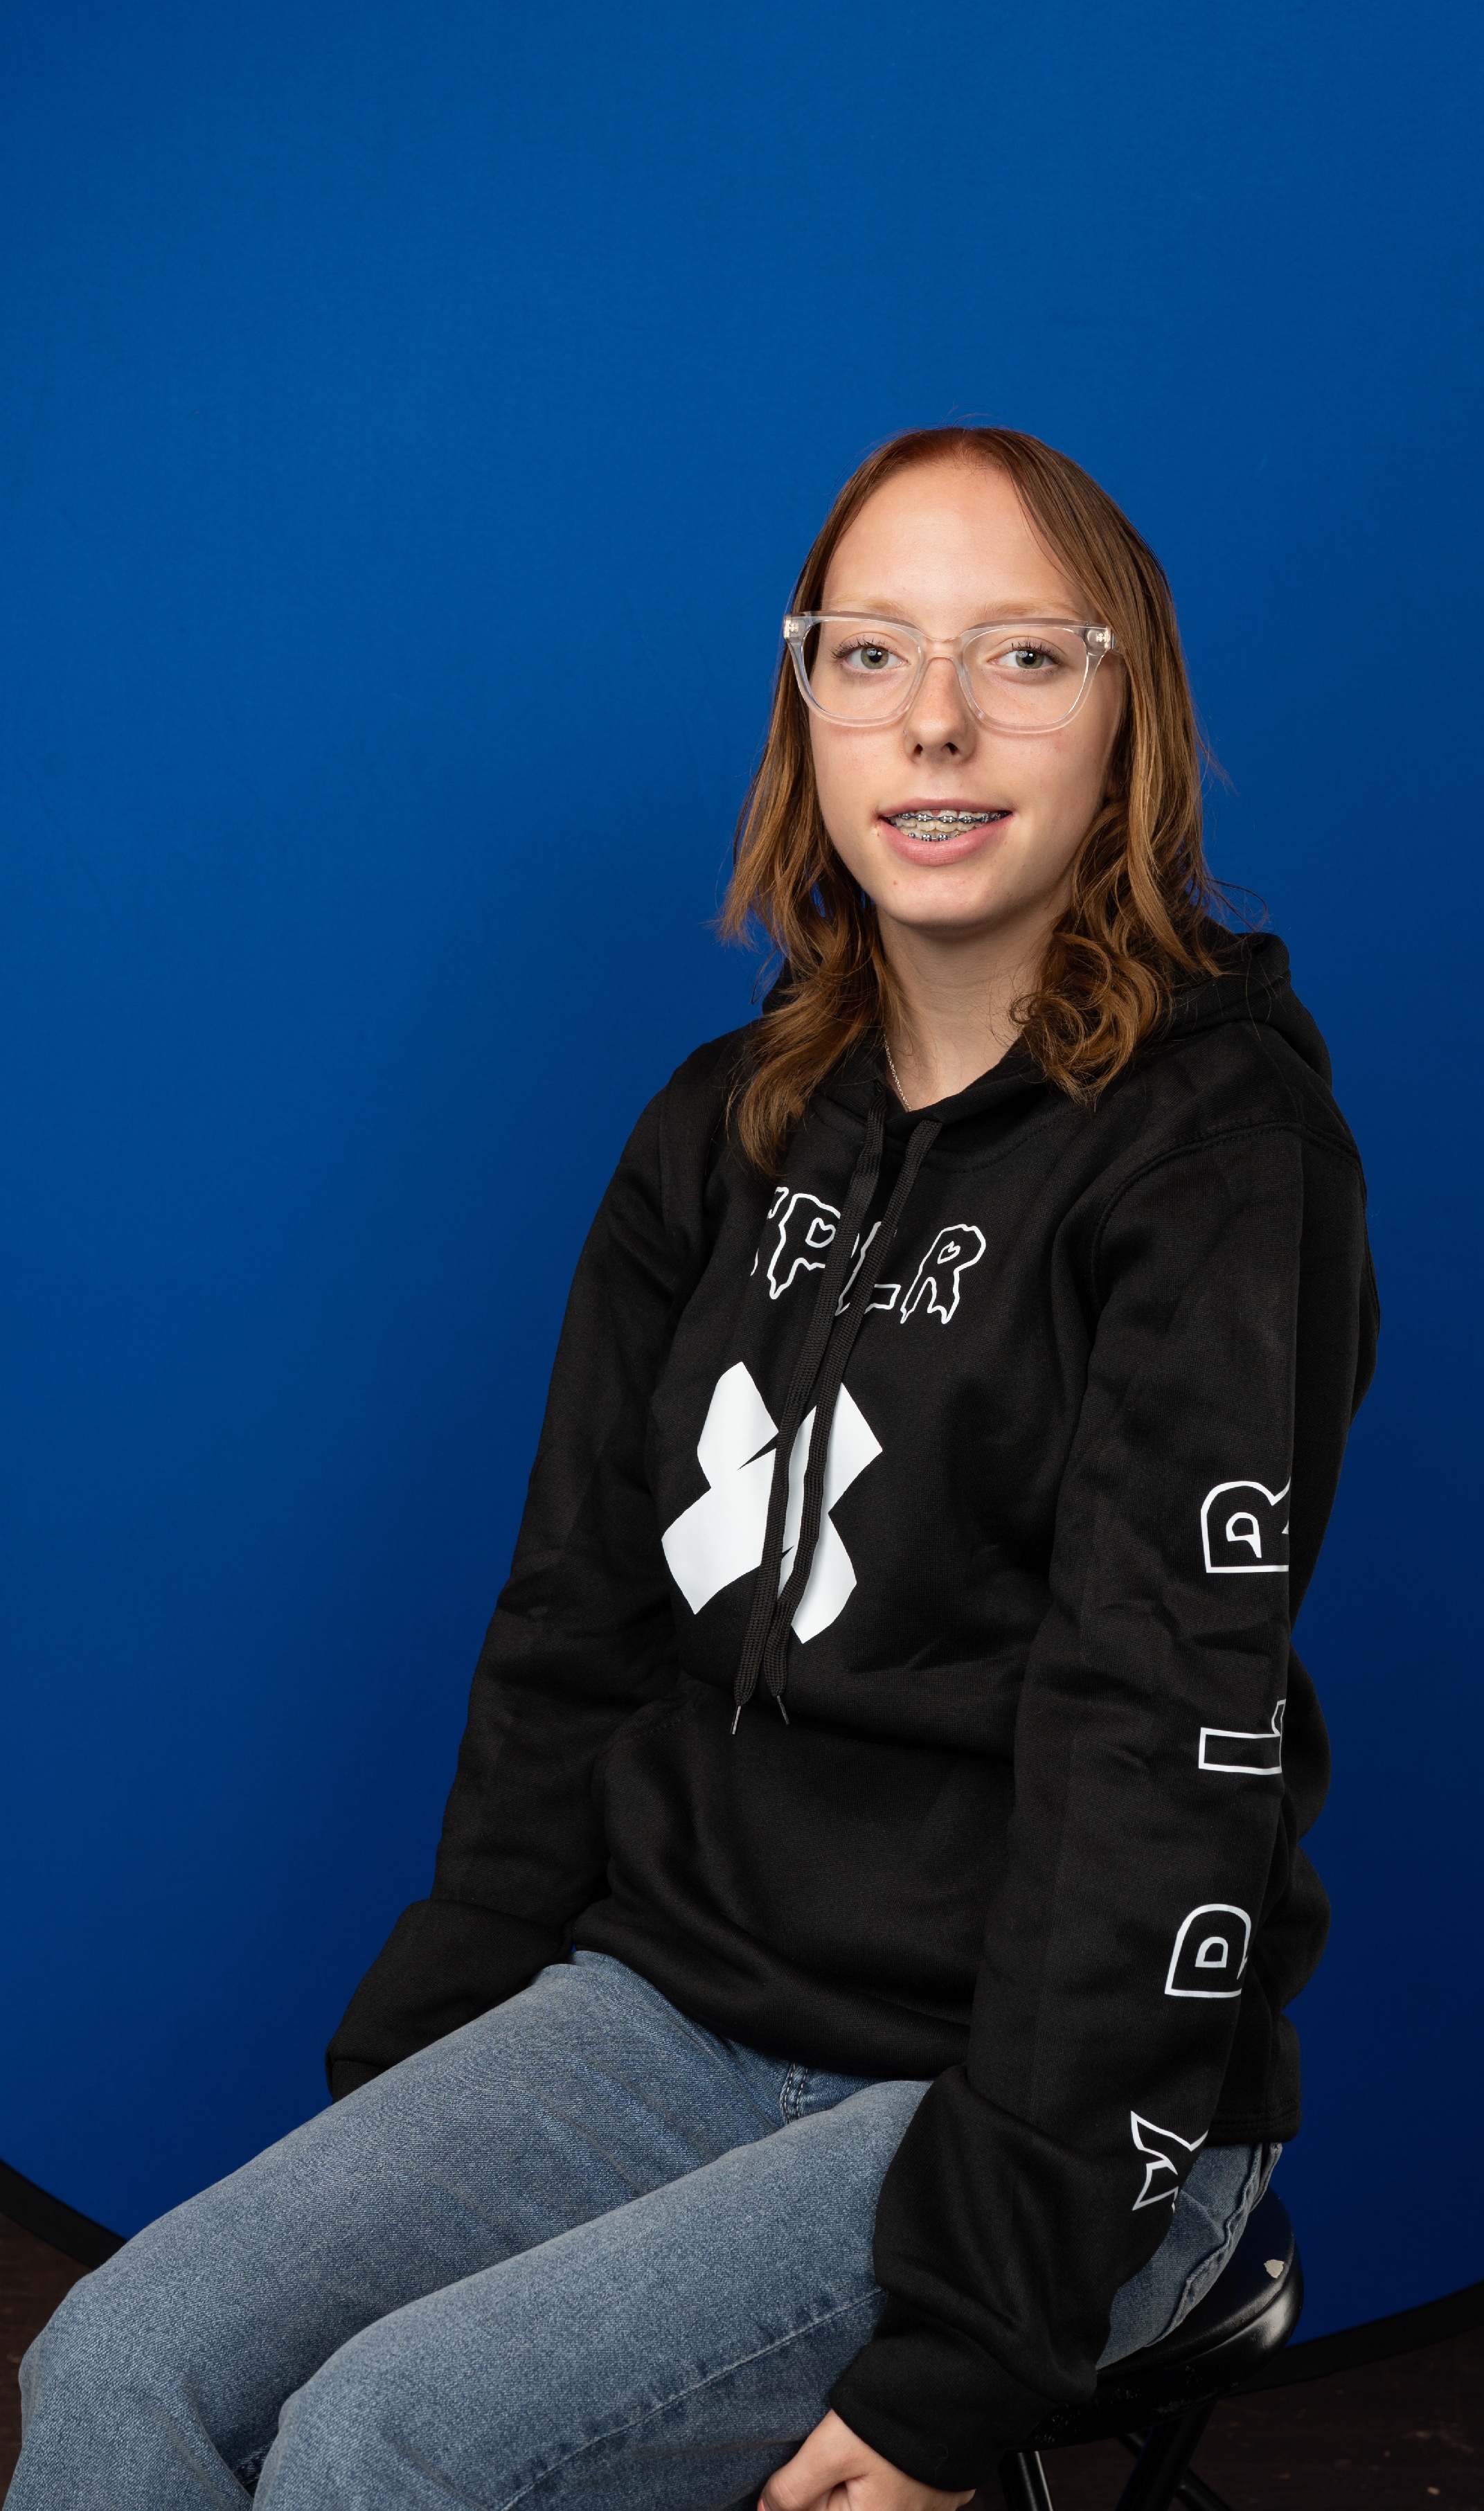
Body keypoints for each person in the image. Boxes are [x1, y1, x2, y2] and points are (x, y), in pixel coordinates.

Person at [11, 427, 1377, 2511]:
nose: (936, 719)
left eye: (1022, 653)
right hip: (668, 2015)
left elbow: (1158, 1762)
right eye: (871, 653)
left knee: (387, 2445)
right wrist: (415, 2114)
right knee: (124, 2362)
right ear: (805, 704)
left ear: (1132, 711)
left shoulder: (1212, 1155)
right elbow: (570, 1634)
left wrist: (980, 2336)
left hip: (1040, 2102)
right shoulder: (718, 1130)